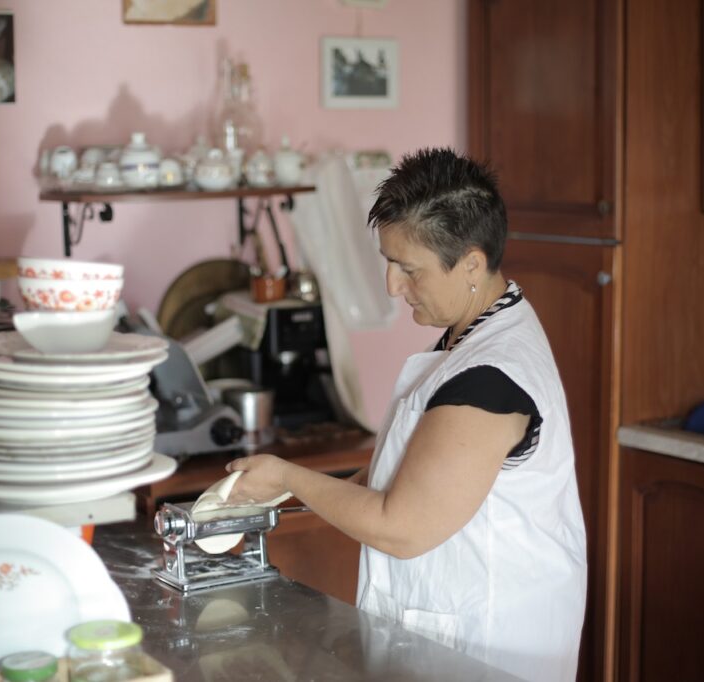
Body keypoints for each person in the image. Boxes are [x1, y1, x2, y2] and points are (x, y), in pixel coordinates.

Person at [226, 147, 587, 681]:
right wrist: (282, 499)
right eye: (389, 262)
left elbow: (402, 527)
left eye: (409, 269)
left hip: (485, 646)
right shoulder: (476, 330)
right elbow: (405, 473)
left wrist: (286, 477)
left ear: (471, 263)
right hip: (448, 630)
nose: (392, 285)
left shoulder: (492, 379)